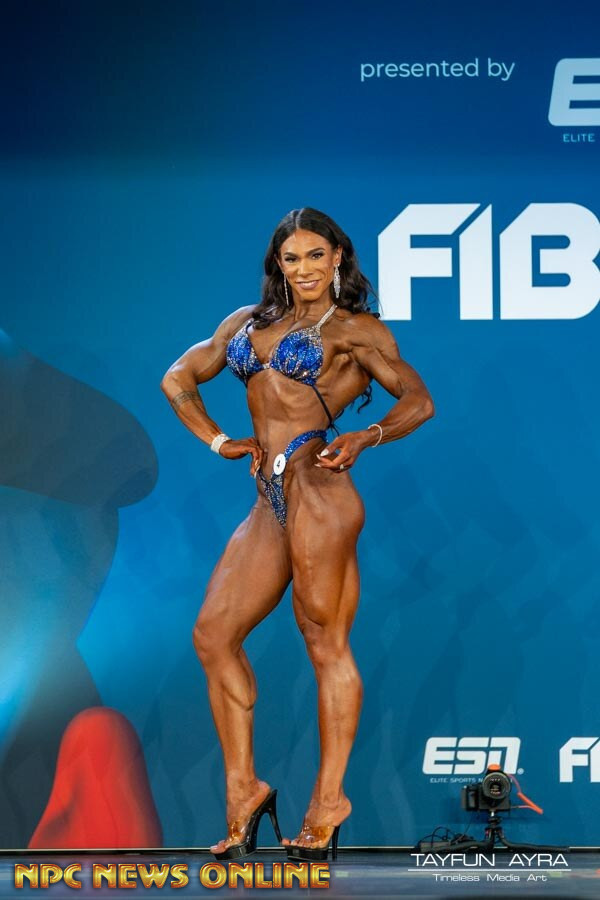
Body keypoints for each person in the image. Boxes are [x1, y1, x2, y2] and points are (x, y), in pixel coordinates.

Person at [160, 208, 434, 860]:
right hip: (269, 500)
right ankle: (244, 790)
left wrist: (366, 435)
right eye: (292, 258)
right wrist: (219, 440)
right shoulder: (247, 323)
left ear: (338, 257)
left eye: (316, 255)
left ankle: (329, 801)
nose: (304, 269)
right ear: (277, 265)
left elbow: (418, 400)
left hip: (320, 491)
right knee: (213, 635)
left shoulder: (356, 329)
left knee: (323, 642)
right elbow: (177, 379)